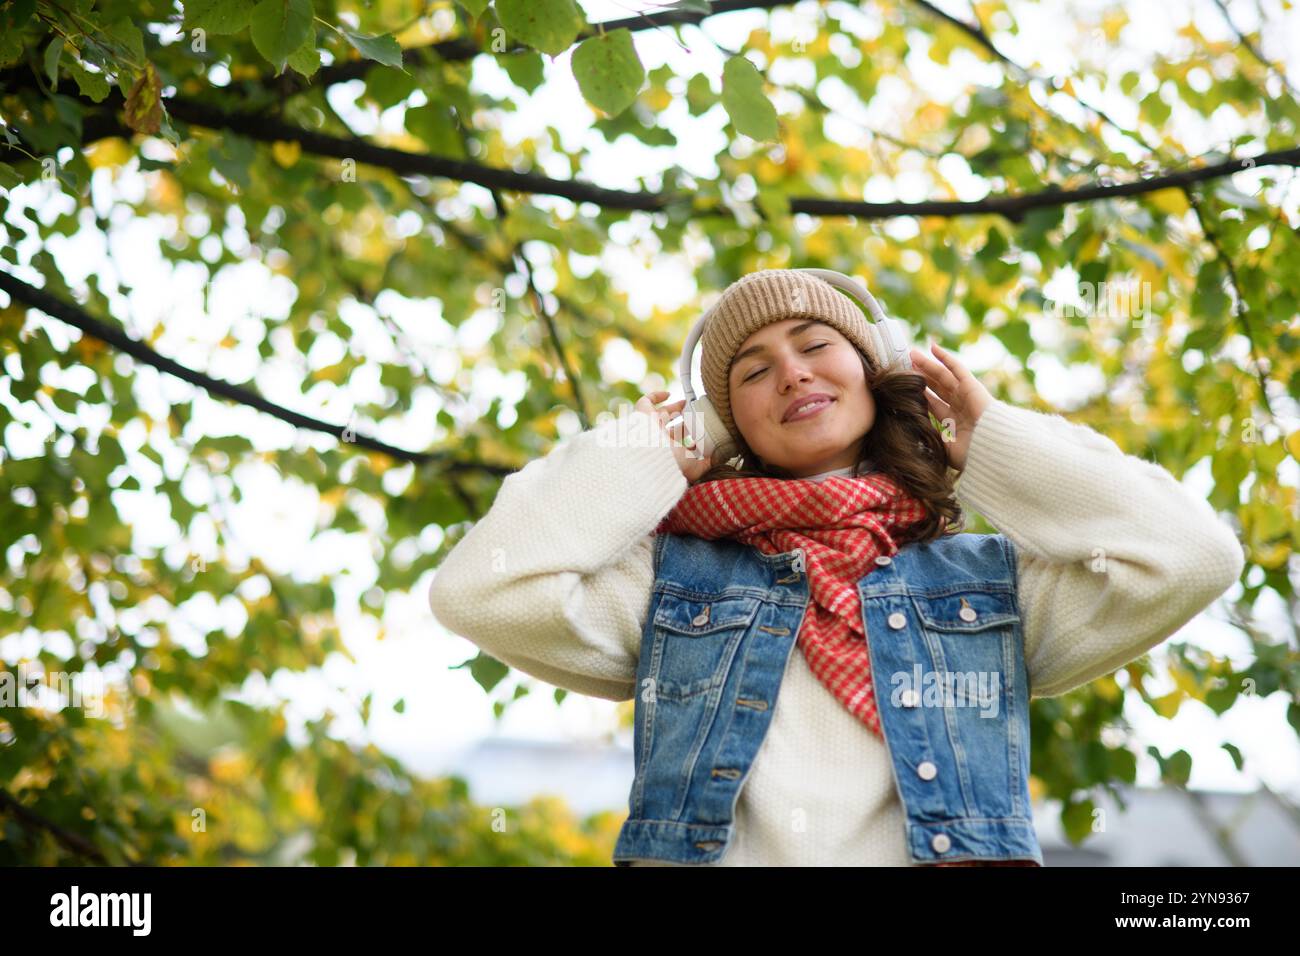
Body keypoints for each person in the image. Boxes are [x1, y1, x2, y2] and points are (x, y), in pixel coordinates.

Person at [429, 268, 1244, 866]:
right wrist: (638, 454)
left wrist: (995, 442)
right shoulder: (675, 587)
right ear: (724, 421)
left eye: (815, 344)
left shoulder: (990, 592)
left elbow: (1190, 556)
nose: (792, 372)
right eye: (752, 372)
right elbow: (481, 590)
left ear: (873, 366)